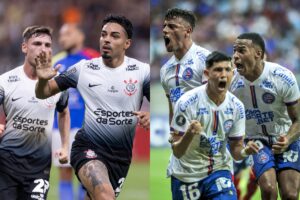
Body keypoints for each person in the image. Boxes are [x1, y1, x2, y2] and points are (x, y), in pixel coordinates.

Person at [34, 15, 150, 200]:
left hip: (120, 155)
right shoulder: (83, 68)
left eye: (114, 36)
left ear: (127, 43)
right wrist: (41, 79)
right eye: (103, 34)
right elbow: (44, 92)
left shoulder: (142, 71)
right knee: (104, 194)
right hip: (87, 146)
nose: (107, 39)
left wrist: (149, 115)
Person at [169, 51, 259, 200]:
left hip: (219, 170)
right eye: (218, 70)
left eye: (227, 70)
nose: (224, 74)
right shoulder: (186, 103)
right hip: (186, 174)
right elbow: (177, 152)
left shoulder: (237, 107)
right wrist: (189, 134)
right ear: (207, 73)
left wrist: (245, 151)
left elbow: (236, 151)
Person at [0, 26, 70, 199]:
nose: (43, 49)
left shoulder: (57, 84)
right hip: (6, 165)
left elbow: (64, 112)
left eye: (47, 45)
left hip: (39, 168)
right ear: (24, 47)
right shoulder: (6, 81)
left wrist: (64, 145)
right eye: (37, 43)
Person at [230, 32, 300, 200]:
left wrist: (288, 139)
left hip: (285, 137)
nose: (235, 56)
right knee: (268, 190)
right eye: (234, 51)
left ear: (258, 53)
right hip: (256, 141)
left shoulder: (283, 77)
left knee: (290, 194)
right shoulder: (231, 81)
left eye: (241, 50)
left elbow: (298, 119)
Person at [52, 23, 100, 200]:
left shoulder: (93, 59)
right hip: (60, 126)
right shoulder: (56, 61)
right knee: (64, 172)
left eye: (68, 33)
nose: (62, 38)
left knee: (86, 174)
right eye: (61, 35)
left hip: (86, 126)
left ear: (80, 36)